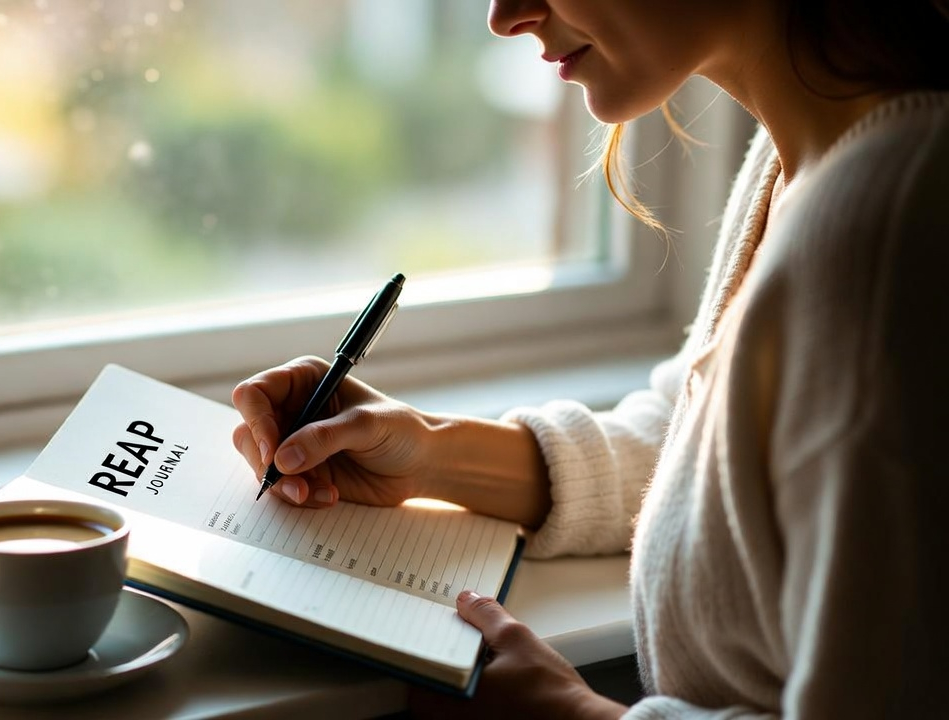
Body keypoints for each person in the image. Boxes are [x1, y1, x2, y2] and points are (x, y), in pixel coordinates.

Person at [231, 0, 949, 717]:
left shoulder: (888, 236)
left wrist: (573, 713)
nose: (505, 16)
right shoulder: (805, 155)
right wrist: (432, 454)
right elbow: (716, 450)